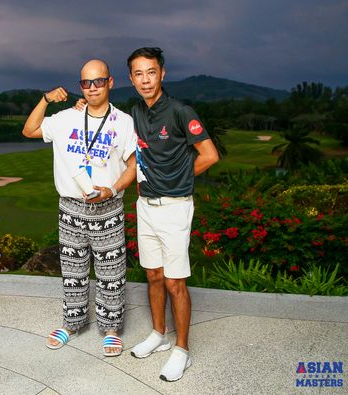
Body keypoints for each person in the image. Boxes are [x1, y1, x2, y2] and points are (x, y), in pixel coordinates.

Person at [22, 59, 137, 357]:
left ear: (110, 82)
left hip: (108, 207)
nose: (92, 88)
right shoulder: (66, 117)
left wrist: (112, 189)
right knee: (73, 271)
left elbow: (134, 163)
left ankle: (110, 329)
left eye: (98, 81)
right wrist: (46, 99)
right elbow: (30, 130)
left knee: (111, 273)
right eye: (86, 83)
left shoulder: (123, 121)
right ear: (80, 86)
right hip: (71, 207)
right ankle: (72, 324)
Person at [127, 47, 219, 382]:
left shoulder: (181, 111)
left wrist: (181, 179)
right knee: (152, 276)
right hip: (146, 206)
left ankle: (182, 350)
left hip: (176, 207)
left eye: (151, 72)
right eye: (139, 73)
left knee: (174, 281)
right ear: (131, 79)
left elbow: (209, 155)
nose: (145, 79)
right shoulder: (135, 112)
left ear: (162, 74)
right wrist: (81, 104)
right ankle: (158, 334)